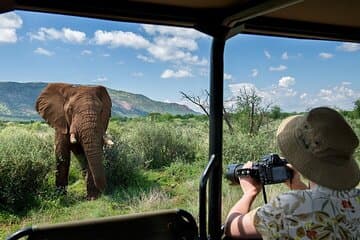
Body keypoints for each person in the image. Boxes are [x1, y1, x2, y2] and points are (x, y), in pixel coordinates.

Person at [224, 107, 360, 239]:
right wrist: (297, 184)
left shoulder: (289, 207)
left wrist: (250, 193)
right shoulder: (356, 199)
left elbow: (232, 227)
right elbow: (324, 202)